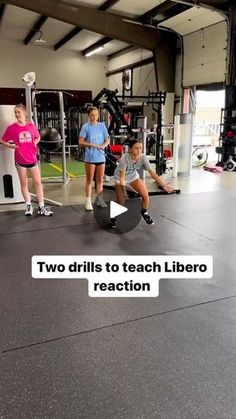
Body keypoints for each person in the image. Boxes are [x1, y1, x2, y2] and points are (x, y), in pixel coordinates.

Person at [0, 103, 53, 216]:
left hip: (32, 159)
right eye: (15, 112)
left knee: (38, 183)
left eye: (19, 112)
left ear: (24, 113)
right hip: (20, 161)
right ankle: (28, 206)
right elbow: (2, 140)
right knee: (24, 184)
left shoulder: (31, 127)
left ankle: (41, 207)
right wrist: (12, 146)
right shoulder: (11, 128)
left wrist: (35, 142)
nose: (17, 114)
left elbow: (38, 136)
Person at [113, 138, 174, 226]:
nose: (138, 150)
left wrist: (163, 184)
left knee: (145, 196)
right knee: (121, 202)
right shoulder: (124, 159)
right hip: (120, 178)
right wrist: (124, 191)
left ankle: (144, 213)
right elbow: (122, 177)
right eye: (136, 148)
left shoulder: (143, 158)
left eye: (140, 148)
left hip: (132, 176)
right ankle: (114, 216)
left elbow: (152, 173)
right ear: (130, 149)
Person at [79, 106, 110, 210]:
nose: (94, 117)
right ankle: (88, 202)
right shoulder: (85, 127)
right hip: (90, 158)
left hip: (101, 157)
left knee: (100, 180)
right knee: (89, 180)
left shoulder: (102, 126)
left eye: (96, 115)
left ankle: (100, 200)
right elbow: (81, 142)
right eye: (92, 115)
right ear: (88, 115)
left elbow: (107, 139)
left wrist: (104, 145)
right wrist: (92, 145)